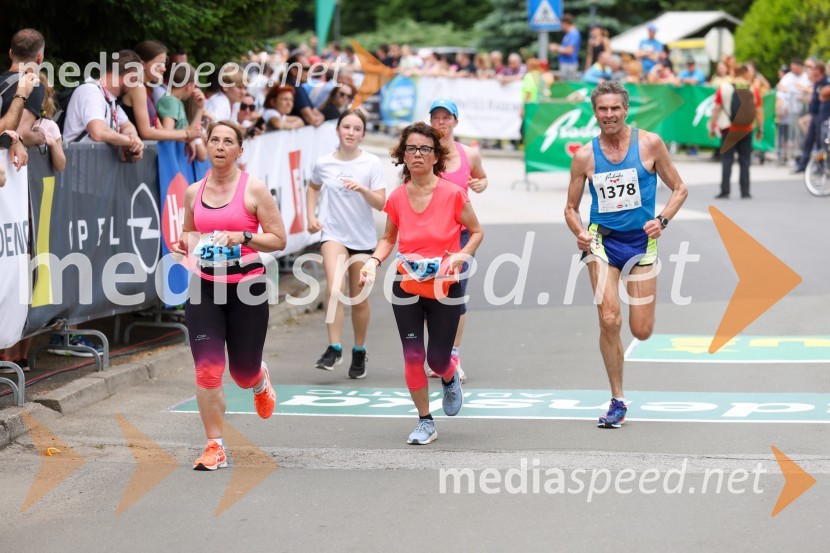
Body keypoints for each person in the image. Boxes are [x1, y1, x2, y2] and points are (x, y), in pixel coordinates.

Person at [564, 81, 688, 429]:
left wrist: (662, 220)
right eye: (602, 109)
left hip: (642, 245)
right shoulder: (585, 156)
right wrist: (579, 231)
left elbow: (680, 188)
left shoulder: (649, 144)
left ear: (626, 109)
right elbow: (570, 208)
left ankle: (622, 381)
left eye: (615, 108)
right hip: (602, 243)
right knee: (609, 319)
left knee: (642, 329)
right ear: (595, 112)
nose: (609, 115)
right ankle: (617, 399)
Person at [171, 121, 287, 470]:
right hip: (204, 286)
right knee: (207, 369)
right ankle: (214, 446)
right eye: (214, 140)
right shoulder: (194, 191)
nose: (220, 146)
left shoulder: (254, 190)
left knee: (242, 373)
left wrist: (244, 238)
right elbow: (190, 231)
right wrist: (185, 245)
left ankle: (259, 379)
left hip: (247, 289)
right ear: (206, 146)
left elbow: (278, 239)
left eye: (228, 141)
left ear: (240, 150)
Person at [359, 122, 483, 444]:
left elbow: (477, 231)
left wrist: (462, 254)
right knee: (413, 356)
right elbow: (388, 238)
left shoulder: (454, 194)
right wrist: (373, 261)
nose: (417, 154)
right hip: (407, 285)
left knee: (437, 360)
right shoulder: (398, 197)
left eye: (424, 149)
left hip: (445, 285)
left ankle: (449, 372)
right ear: (402, 155)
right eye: (411, 148)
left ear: (435, 156)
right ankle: (425, 421)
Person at [307, 109, 386, 378]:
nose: (351, 133)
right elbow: (313, 187)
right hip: (333, 234)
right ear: (338, 130)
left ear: (363, 134)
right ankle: (334, 347)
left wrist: (363, 189)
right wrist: (311, 217)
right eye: (346, 127)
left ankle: (359, 350)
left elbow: (381, 203)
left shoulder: (371, 163)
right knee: (333, 288)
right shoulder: (324, 162)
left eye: (356, 129)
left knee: (359, 299)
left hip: (363, 239)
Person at [427, 99, 488, 382]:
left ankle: (452, 354)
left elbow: (482, 178)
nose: (441, 122)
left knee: (456, 295)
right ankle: (435, 351)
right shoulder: (423, 152)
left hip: (461, 235)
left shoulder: (469, 154)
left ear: (455, 121)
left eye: (446, 117)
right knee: (429, 294)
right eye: (436, 117)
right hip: (429, 235)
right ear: (430, 122)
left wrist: (479, 184)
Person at [62, 50, 145, 162]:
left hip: (92, 169)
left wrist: (132, 139)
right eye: (136, 80)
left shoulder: (109, 99)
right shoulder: (91, 92)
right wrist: (131, 142)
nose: (135, 86)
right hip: (78, 170)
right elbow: (99, 132)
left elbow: (128, 126)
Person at [709, 64, 764, 199]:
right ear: (746, 74)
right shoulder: (753, 89)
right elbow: (759, 110)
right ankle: (745, 191)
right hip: (746, 129)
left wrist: (711, 126)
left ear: (734, 74)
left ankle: (725, 190)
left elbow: (716, 109)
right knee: (745, 161)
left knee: (727, 160)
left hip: (728, 129)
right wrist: (760, 129)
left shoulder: (723, 88)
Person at [0, 28, 47, 148]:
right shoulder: (32, 84)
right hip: (9, 163)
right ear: (39, 58)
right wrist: (39, 137)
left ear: (10, 53)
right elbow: (22, 134)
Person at [155, 63, 207, 162]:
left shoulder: (176, 101)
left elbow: (191, 130)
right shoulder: (170, 101)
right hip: (169, 159)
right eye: (194, 86)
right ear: (189, 86)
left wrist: (200, 108)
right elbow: (167, 132)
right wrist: (187, 137)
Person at [551, 13, 581, 81]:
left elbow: (569, 51)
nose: (561, 26)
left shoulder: (574, 34)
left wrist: (556, 47)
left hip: (569, 65)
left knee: (568, 86)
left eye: (561, 24)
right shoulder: (568, 34)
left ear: (565, 23)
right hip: (566, 64)